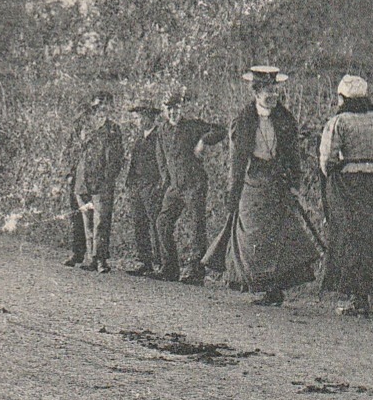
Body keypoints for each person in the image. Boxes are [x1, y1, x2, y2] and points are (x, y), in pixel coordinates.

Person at [206, 67, 322, 306]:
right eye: (267, 90)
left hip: (277, 183)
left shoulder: (286, 119)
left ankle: (275, 290)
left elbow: (293, 155)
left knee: (279, 236)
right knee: (250, 236)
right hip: (252, 183)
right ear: (256, 92)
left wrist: (294, 184)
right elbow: (237, 160)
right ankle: (255, 283)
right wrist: (234, 192)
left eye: (275, 90)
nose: (272, 94)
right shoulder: (244, 119)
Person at [319, 74, 373, 317]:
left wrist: (335, 173)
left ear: (342, 98)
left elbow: (327, 159)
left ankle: (358, 298)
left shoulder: (339, 122)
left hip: (350, 185)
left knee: (352, 239)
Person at [153, 89, 227, 284]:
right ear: (164, 110)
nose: (172, 113)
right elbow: (161, 157)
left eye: (176, 108)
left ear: (182, 108)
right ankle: (170, 268)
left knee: (196, 226)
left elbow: (221, 130)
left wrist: (203, 141)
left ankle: (196, 272)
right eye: (168, 109)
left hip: (194, 184)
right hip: (175, 186)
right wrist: (166, 180)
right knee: (162, 222)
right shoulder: (162, 130)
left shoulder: (193, 126)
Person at [69, 91, 124, 272]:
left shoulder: (113, 130)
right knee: (87, 221)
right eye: (98, 106)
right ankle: (92, 258)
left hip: (101, 182)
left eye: (106, 106)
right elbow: (74, 151)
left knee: (101, 221)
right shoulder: (84, 127)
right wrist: (71, 173)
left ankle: (100, 259)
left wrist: (108, 179)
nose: (102, 110)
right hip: (83, 181)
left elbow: (116, 159)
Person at [123, 103, 165, 276]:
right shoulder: (140, 137)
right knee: (139, 223)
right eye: (136, 118)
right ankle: (145, 261)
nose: (137, 121)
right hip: (137, 186)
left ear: (149, 117)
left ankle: (162, 263)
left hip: (152, 186)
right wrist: (130, 183)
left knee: (156, 224)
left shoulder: (159, 136)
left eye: (139, 117)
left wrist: (159, 184)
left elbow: (164, 162)